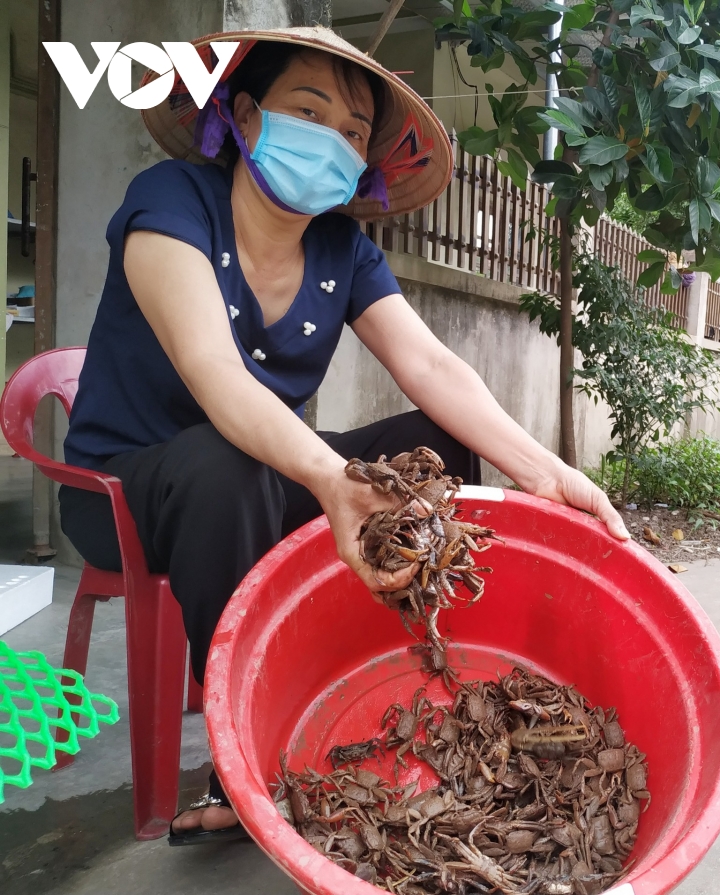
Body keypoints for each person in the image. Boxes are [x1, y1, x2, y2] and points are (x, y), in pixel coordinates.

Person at [57, 26, 629, 846]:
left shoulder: (342, 248)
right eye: (307, 111)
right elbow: (214, 371)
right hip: (126, 487)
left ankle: (392, 688)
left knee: (432, 442)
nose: (331, 139)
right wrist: (329, 478)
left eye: (353, 132)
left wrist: (543, 470)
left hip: (261, 468)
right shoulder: (172, 201)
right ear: (245, 116)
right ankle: (247, 755)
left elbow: (430, 365)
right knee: (227, 465)